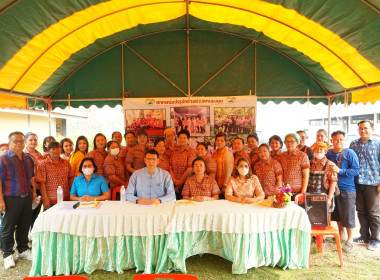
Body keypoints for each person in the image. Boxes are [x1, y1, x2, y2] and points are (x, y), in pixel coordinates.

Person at [0, 132, 34, 269]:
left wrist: (34, 193)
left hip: (26, 197)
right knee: (8, 228)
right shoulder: (3, 159)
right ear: (9, 143)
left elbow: (32, 177)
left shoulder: (28, 159)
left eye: (21, 141)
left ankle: (22, 250)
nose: (19, 144)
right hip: (10, 198)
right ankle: (8, 255)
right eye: (15, 141)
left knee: (24, 225)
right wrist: (1, 201)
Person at [327, 130, 360, 253]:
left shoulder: (349, 153)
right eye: (335, 139)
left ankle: (350, 241)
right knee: (337, 214)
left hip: (347, 189)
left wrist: (340, 171)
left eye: (341, 139)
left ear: (344, 140)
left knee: (348, 215)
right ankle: (341, 237)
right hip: (333, 189)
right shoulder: (329, 153)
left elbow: (356, 170)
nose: (338, 141)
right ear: (331, 141)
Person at [349, 120, 380, 251]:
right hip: (356, 183)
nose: (363, 130)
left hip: (373, 182)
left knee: (373, 212)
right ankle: (364, 236)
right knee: (360, 211)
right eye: (360, 128)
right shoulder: (353, 144)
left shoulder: (378, 143)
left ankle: (375, 239)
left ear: (372, 129)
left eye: (366, 128)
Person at [37, 142, 73, 209]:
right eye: (53, 149)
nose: (56, 151)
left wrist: (72, 195)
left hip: (66, 199)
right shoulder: (43, 164)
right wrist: (45, 198)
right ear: (48, 151)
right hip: (50, 201)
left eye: (58, 148)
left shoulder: (66, 163)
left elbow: (70, 179)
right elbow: (41, 183)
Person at [23, 132, 45, 228]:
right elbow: (26, 174)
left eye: (35, 139)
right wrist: (38, 179)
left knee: (36, 213)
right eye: (30, 140)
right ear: (25, 142)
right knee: (28, 214)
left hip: (41, 187)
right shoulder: (23, 155)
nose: (33, 142)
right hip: (30, 189)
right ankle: (26, 237)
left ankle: (33, 235)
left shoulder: (40, 155)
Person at [307, 142, 338, 211]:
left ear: (325, 152)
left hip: (325, 197)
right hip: (310, 196)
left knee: (325, 218)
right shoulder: (309, 163)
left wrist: (329, 198)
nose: (318, 151)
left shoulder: (330, 165)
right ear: (313, 151)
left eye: (321, 149)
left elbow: (333, 182)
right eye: (316, 149)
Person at [170, 129, 196, 198]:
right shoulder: (175, 151)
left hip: (186, 184)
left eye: (184, 138)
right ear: (178, 139)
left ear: (188, 139)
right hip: (173, 183)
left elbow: (190, 169)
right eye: (180, 138)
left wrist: (180, 182)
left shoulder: (191, 152)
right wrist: (175, 181)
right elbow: (170, 167)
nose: (182, 140)